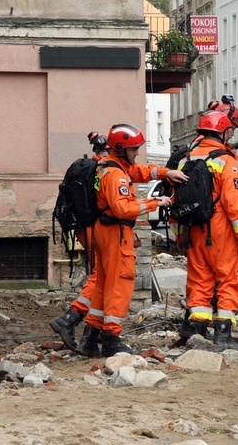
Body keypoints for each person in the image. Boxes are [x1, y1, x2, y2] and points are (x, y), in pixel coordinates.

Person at [78, 124, 186, 357]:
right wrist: (155, 202)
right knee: (120, 284)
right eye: (134, 149)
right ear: (120, 148)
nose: (137, 152)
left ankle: (90, 337)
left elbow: (142, 171)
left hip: (104, 230)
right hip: (115, 233)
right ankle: (111, 340)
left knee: (104, 285)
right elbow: (123, 209)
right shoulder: (116, 175)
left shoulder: (111, 166)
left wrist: (167, 172)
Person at [175, 109, 238, 351]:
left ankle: (197, 332)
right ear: (221, 132)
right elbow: (232, 202)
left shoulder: (185, 159)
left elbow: (176, 199)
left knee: (199, 280)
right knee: (229, 278)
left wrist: (179, 234)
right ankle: (223, 334)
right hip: (220, 230)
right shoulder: (225, 160)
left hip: (193, 229)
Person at [50, 131, 110, 352]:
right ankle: (70, 318)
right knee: (100, 277)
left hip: (85, 229)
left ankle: (95, 329)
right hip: (99, 229)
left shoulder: (85, 169)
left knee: (99, 275)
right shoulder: (105, 170)